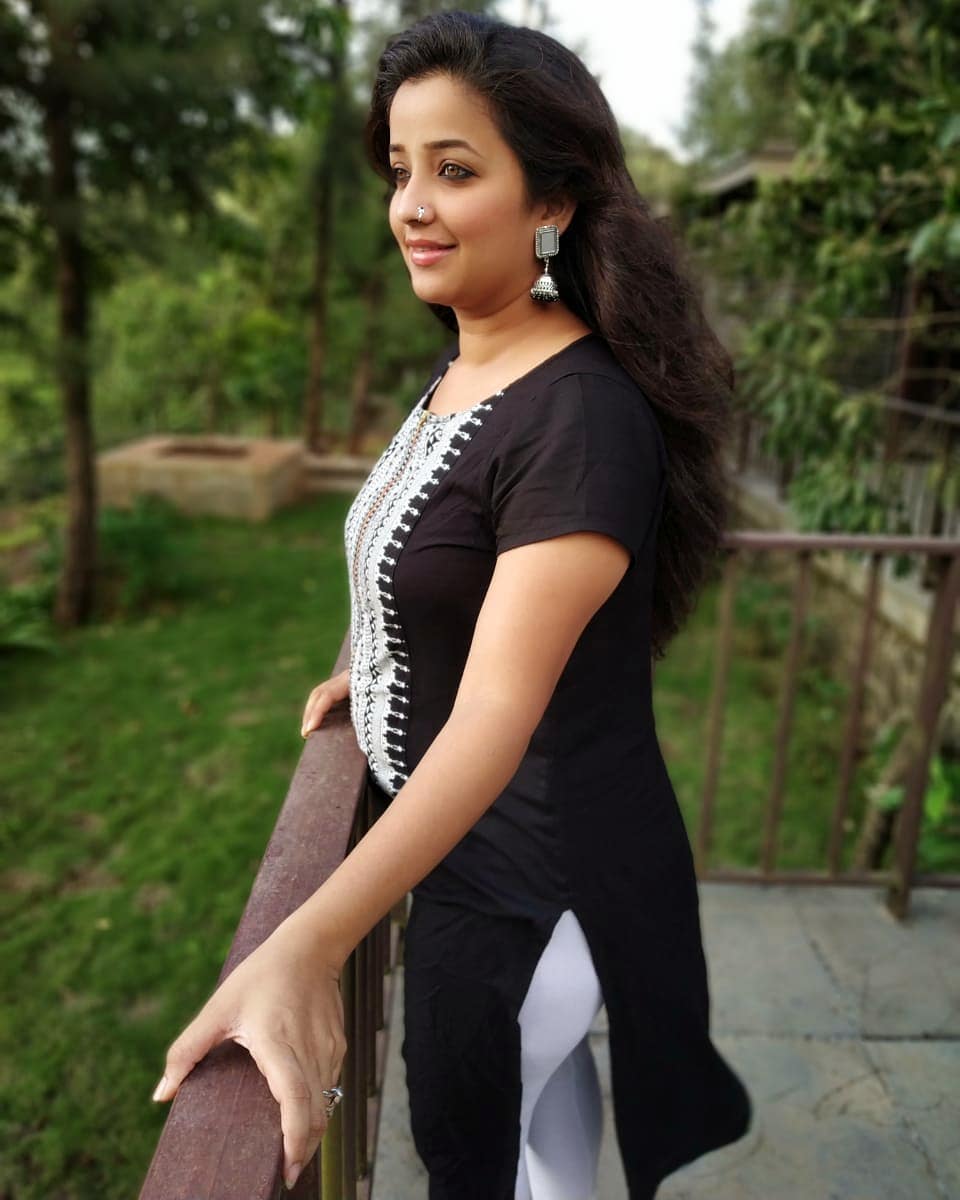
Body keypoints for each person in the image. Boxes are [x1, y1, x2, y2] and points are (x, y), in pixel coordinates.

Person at [150, 10, 753, 1199]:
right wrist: (388, 660)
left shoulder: (579, 415)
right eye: (400, 170)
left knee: (482, 1152)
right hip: (485, 853)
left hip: (531, 884)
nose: (412, 207)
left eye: (456, 170)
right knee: (536, 1125)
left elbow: (494, 717)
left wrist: (304, 948)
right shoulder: (477, 358)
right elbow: (451, 568)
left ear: (552, 202)